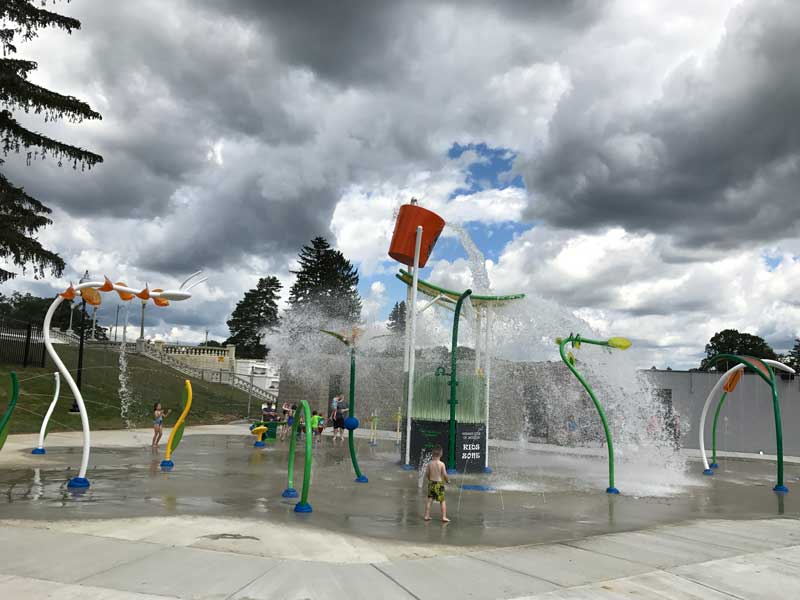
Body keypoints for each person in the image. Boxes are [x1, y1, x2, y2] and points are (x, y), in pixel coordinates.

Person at [423, 445, 450, 522]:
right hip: (439, 484)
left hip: (431, 483)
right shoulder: (441, 464)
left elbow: (427, 474)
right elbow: (444, 474)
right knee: (442, 501)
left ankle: (426, 515)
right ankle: (444, 517)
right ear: (441, 454)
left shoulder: (429, 464)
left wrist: (429, 479)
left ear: (432, 454)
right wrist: (447, 480)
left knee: (430, 500)